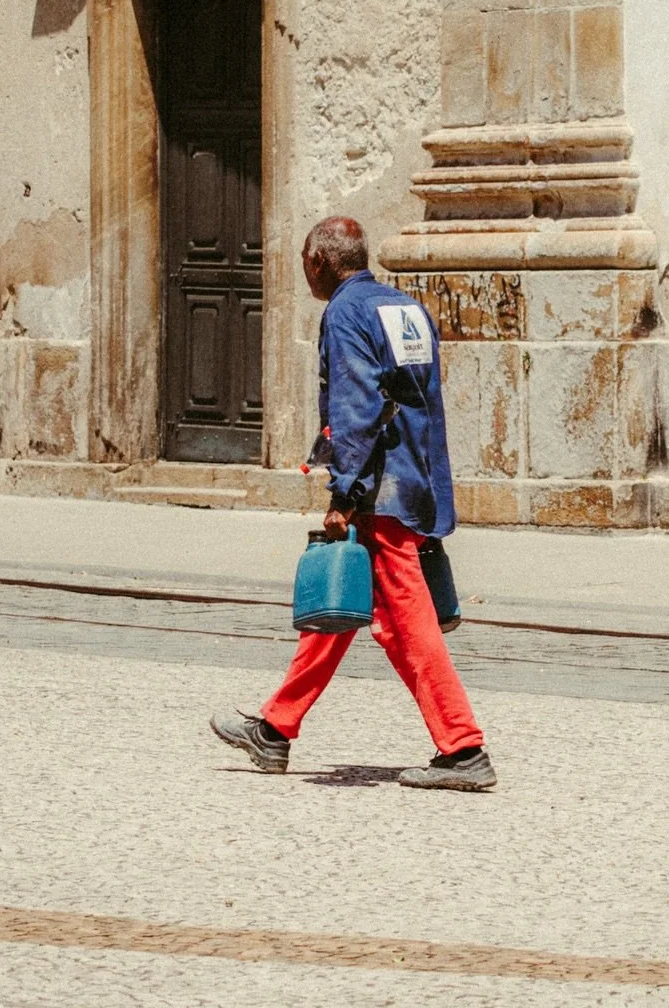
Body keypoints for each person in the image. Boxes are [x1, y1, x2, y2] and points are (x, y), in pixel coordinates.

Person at [211, 216, 496, 791]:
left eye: (304, 264)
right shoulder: (404, 307)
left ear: (318, 261)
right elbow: (420, 399)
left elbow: (356, 408)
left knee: (406, 623)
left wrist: (345, 493)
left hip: (381, 489)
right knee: (341, 600)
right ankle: (275, 729)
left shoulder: (344, 313)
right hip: (414, 477)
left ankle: (463, 747)